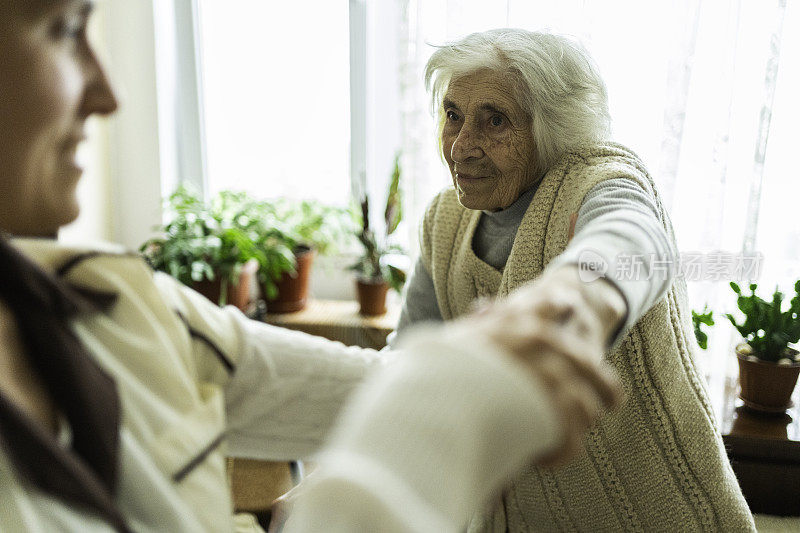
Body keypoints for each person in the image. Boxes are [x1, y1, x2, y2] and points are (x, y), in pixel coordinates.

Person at [0, 2, 621, 531]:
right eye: (63, 27)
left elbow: (371, 388)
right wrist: (450, 397)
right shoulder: (443, 221)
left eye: (493, 119)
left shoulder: (107, 295)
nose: (111, 93)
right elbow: (413, 390)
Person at [393, 28, 756, 531]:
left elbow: (634, 243)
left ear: (550, 127)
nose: (461, 147)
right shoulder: (444, 220)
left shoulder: (599, 182)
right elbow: (409, 365)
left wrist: (575, 301)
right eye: (453, 115)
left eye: (493, 120)